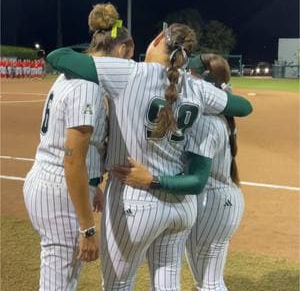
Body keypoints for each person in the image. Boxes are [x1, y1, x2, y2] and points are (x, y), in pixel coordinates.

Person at [47, 22, 252, 291]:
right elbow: (243, 107)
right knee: (167, 284)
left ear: (157, 40)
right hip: (182, 207)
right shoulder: (196, 87)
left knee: (118, 285)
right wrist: (214, 96)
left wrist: (98, 44)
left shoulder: (129, 72)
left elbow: (58, 57)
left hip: (134, 197)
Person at [23, 2, 134, 291]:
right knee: (59, 282)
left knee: (63, 275)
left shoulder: (69, 74)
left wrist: (92, 185)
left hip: (52, 181)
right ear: (122, 49)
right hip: (59, 188)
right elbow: (72, 161)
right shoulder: (88, 85)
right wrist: (87, 228)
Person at [113, 53, 244, 291]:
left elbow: (196, 181)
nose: (185, 81)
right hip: (225, 198)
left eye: (191, 75)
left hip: (211, 201)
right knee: (209, 280)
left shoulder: (205, 121)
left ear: (203, 80)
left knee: (209, 283)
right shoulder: (218, 114)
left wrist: (153, 180)